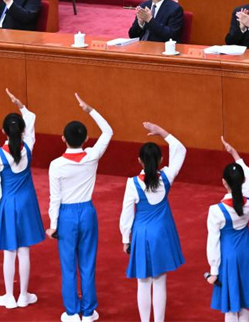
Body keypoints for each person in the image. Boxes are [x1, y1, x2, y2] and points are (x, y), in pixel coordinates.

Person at [47, 94, 113, 322]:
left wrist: (53, 225)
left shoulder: (56, 165)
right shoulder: (92, 156)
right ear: (85, 139)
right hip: (87, 212)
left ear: (63, 138)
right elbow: (108, 132)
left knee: (68, 265)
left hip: (65, 214)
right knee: (87, 262)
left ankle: (72, 311)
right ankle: (88, 310)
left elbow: (54, 198)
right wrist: (89, 109)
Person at [120, 124, 186, 322]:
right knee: (160, 281)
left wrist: (125, 238)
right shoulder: (168, 176)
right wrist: (163, 132)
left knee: (143, 281)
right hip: (163, 233)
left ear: (139, 161)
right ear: (161, 160)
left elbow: (126, 213)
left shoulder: (132, 184)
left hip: (141, 233)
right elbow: (181, 149)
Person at [0, 89, 44, 309]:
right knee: (24, 250)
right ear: (22, 132)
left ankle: (9, 296)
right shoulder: (28, 146)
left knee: (9, 252)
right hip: (27, 202)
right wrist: (19, 104)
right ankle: (23, 295)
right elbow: (31, 118)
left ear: (2, 130)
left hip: (8, 204)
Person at [206, 138, 249, 322]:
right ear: (242, 181)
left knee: (231, 306)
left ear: (224, 182)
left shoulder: (216, 211)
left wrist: (214, 270)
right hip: (247, 253)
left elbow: (213, 241)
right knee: (244, 302)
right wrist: (235, 155)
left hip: (228, 257)